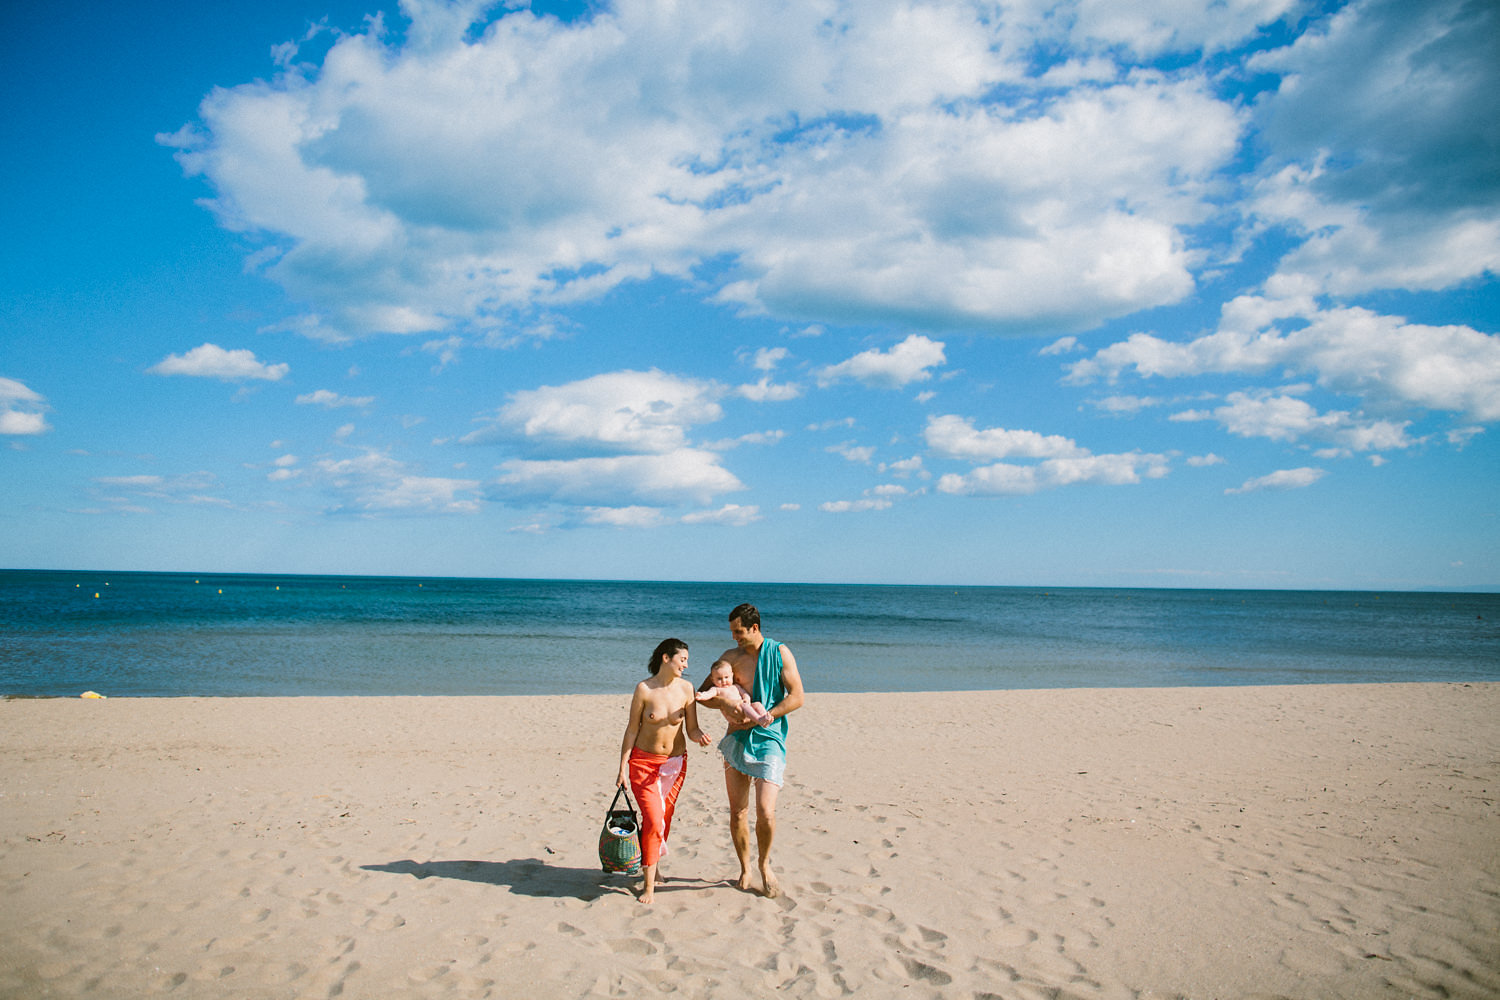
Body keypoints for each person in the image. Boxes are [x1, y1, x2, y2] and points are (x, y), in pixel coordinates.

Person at [706, 603, 805, 898]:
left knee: (765, 810)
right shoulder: (729, 658)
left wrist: (768, 715)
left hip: (770, 737)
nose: (734, 638)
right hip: (736, 738)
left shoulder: (779, 653)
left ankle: (764, 864)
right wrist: (726, 704)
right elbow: (705, 695)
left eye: (739, 632)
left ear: (754, 628)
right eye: (732, 632)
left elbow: (798, 696)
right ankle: (745, 868)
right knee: (738, 811)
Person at [618, 638, 711, 903]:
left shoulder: (687, 689)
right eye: (682, 659)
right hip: (643, 764)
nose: (687, 664)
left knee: (663, 820)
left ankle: (653, 866)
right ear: (666, 658)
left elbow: (691, 728)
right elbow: (632, 729)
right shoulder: (644, 689)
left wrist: (699, 736)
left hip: (675, 765)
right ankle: (648, 887)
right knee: (654, 819)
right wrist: (622, 767)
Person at [695, 658, 773, 727]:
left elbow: (744, 693)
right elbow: (708, 694)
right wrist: (701, 695)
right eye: (719, 679)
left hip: (745, 709)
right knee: (744, 705)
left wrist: (746, 698)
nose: (724, 681)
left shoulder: (735, 686)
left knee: (757, 704)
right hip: (733, 715)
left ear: (732, 675)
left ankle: (766, 717)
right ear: (712, 680)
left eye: (726, 677)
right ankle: (759, 719)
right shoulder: (716, 689)